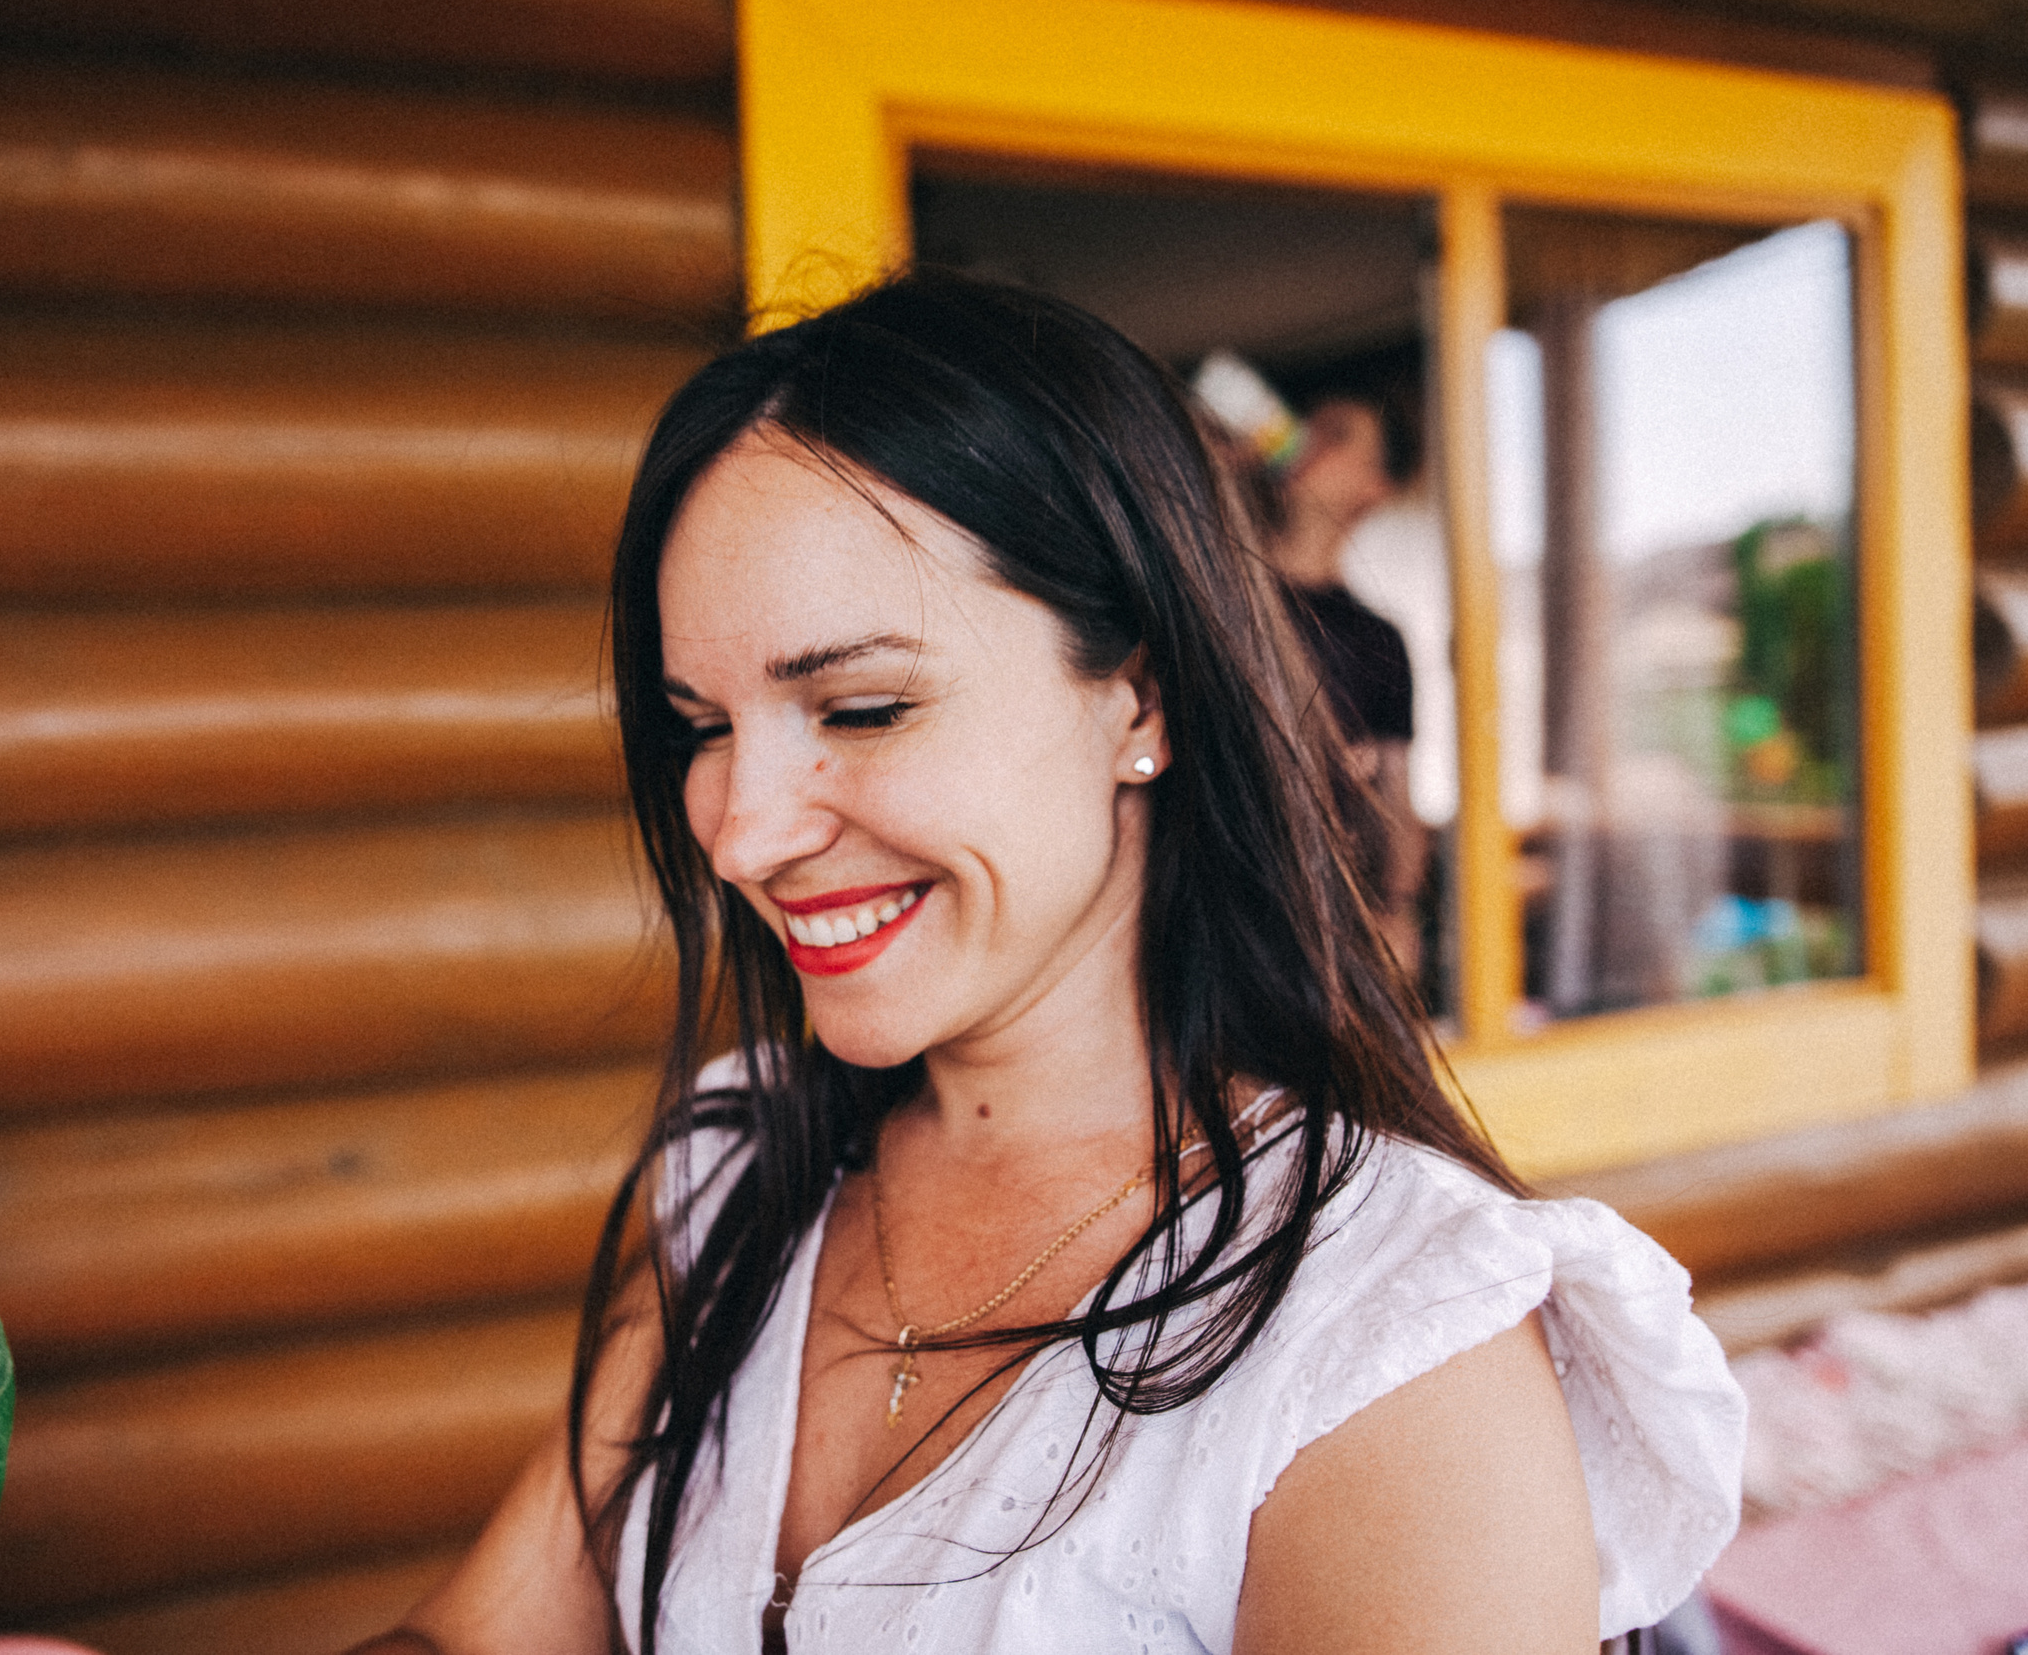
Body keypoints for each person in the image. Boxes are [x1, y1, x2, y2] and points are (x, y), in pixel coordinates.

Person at [355, 273, 1741, 1655]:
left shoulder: (1384, 1342)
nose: (741, 833)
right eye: (702, 727)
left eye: (863, 707)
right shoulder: (753, 1172)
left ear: (1139, 698)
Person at [1267, 361, 1431, 975]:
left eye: (1337, 435)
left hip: (1326, 933)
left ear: (1375, 487)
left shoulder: (1378, 640)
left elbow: (1396, 795)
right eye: (1311, 424)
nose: (1309, 440)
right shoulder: (1217, 602)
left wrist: (1398, 914)